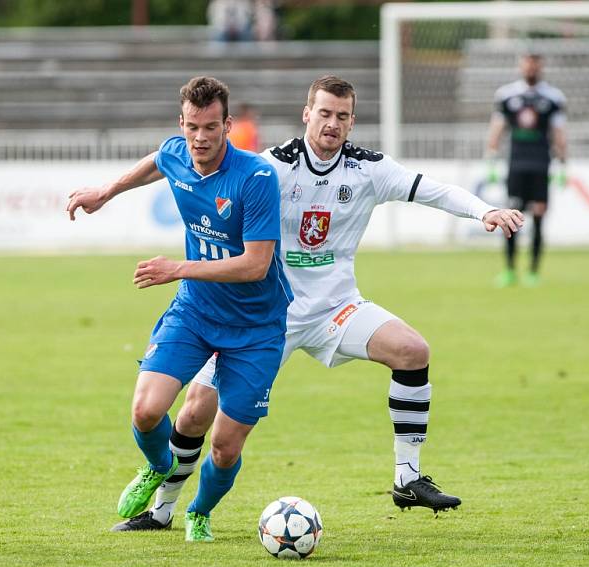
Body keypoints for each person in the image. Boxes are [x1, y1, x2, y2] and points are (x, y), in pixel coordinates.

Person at [112, 75, 524, 533]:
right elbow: (192, 173)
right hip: (266, 313)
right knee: (192, 413)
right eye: (324, 113)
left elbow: (433, 188)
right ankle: (164, 507)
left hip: (336, 308)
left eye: (342, 116)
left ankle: (407, 477)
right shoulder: (270, 167)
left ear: (352, 121)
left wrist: (483, 210)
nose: (332, 124)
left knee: (413, 351)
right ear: (307, 114)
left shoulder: (369, 169)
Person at [66, 76, 292, 542]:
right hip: (196, 312)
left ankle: (199, 511)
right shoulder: (178, 150)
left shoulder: (256, 178)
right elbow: (158, 161)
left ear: (228, 124)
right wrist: (105, 193)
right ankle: (160, 466)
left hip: (257, 327)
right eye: (192, 127)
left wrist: (179, 268)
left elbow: (255, 264)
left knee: (225, 447)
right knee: (147, 411)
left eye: (211, 127)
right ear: (181, 123)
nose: (201, 138)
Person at [486, 52, 568, 287]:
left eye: (535, 65)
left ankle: (533, 271)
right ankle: (510, 270)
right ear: (521, 66)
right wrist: (491, 156)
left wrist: (563, 163)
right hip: (516, 165)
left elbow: (559, 132)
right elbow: (497, 127)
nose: (531, 69)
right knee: (510, 218)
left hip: (541, 164)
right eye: (527, 65)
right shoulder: (507, 95)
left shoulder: (553, 97)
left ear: (540, 67)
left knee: (539, 217)